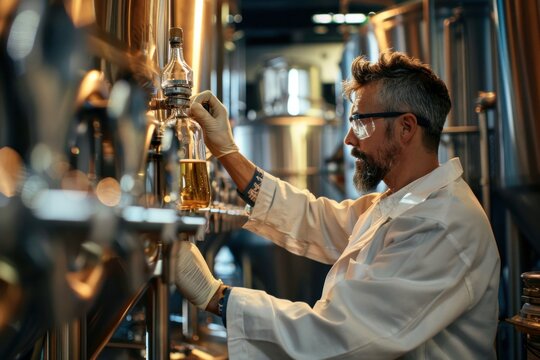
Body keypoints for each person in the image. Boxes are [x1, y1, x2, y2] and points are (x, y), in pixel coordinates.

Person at [175, 50, 500, 359]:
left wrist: (216, 297)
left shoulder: (442, 224)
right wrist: (228, 152)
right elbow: (314, 219)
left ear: (406, 127)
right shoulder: (400, 204)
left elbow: (342, 335)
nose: (348, 139)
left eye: (360, 122)